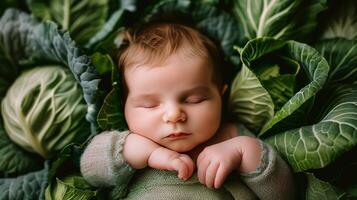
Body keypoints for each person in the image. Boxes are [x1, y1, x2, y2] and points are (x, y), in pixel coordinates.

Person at [80, 22, 296, 199]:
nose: (174, 115)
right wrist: (146, 153)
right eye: (150, 104)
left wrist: (245, 151)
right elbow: (89, 168)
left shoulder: (232, 136)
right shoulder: (130, 143)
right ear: (123, 105)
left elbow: (284, 193)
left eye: (195, 99)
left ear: (221, 96)